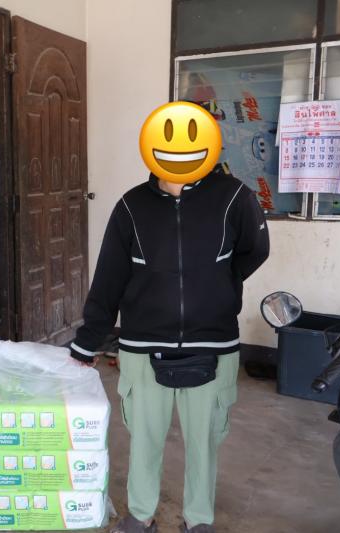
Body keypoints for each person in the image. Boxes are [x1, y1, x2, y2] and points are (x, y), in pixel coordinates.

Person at [69, 104, 270, 533]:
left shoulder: (234, 197)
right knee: (144, 439)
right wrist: (88, 340)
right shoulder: (131, 206)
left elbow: (255, 250)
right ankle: (141, 515)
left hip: (212, 343)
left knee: (204, 442)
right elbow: (109, 277)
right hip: (143, 344)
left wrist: (217, 283)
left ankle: (198, 520)